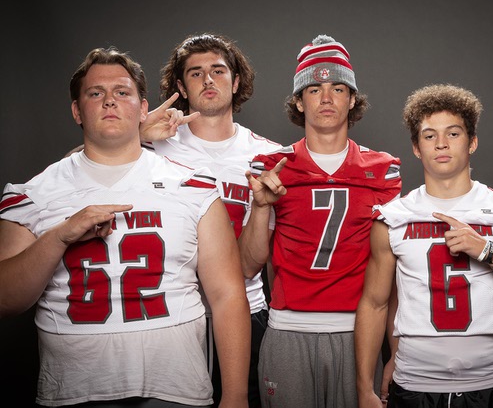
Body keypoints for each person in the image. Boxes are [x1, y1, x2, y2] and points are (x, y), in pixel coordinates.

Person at [0, 47, 251, 407]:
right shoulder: (35, 193)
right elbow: (5, 300)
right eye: (95, 94)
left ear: (143, 108)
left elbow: (227, 294)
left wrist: (236, 396)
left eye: (122, 92)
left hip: (175, 389)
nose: (109, 102)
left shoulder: (194, 187)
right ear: (76, 111)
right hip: (73, 392)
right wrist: (60, 236)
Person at [355, 84, 493, 408]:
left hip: (488, 383)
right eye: (429, 135)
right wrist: (364, 386)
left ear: (472, 142)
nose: (441, 144)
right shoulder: (392, 217)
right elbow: (375, 304)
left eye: (453, 133)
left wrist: (488, 252)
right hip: (412, 385)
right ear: (416, 148)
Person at [239, 34, 402, 408]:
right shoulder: (271, 167)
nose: (326, 98)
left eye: (338, 88)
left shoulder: (384, 170)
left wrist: (396, 350)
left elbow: (394, 275)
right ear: (299, 100)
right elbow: (247, 267)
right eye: (314, 88)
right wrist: (261, 207)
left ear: (352, 99)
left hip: (359, 333)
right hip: (287, 330)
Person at [139, 33, 282, 408]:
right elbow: (80, 170)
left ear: (236, 83)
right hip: (172, 315)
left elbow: (251, 265)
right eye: (196, 73)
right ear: (181, 88)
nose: (208, 80)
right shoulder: (153, 146)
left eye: (218, 71)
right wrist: (132, 137)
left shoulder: (266, 155)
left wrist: (261, 206)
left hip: (246, 311)